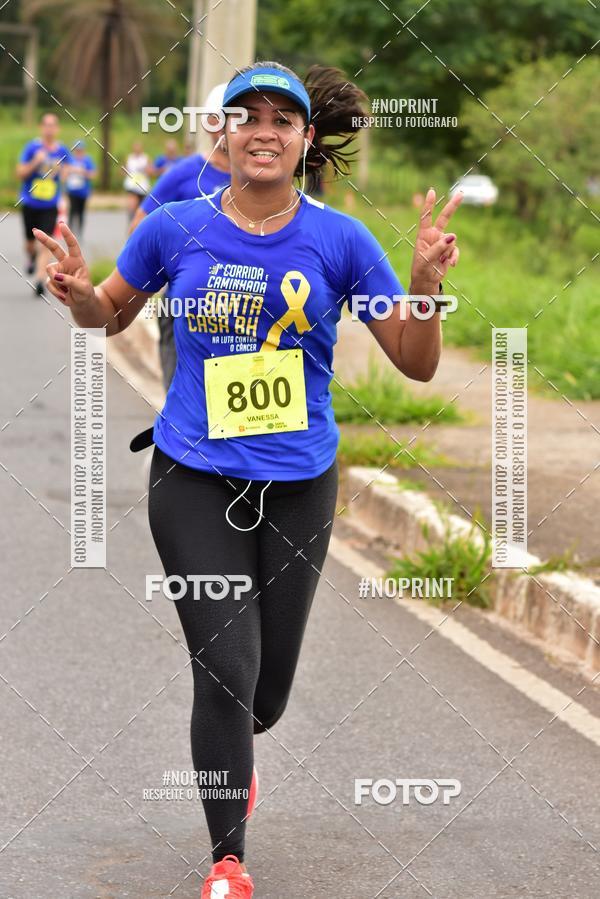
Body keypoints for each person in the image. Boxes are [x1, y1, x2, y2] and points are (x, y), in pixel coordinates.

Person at [33, 60, 462, 897]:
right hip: (192, 474)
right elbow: (109, 315)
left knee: (264, 693)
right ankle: (228, 858)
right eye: (246, 116)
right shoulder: (174, 225)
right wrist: (80, 292)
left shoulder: (342, 241)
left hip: (301, 483)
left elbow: (413, 362)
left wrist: (424, 288)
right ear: (224, 135)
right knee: (224, 664)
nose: (263, 130)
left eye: (282, 119)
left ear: (305, 141)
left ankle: (241, 748)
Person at [129, 83, 231, 390]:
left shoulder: (260, 179)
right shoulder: (185, 173)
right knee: (180, 396)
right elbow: (140, 226)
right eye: (222, 119)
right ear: (210, 124)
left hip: (241, 307)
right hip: (181, 306)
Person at [16, 112, 72, 296]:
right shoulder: (31, 148)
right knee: (30, 244)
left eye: (52, 125)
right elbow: (20, 173)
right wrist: (35, 162)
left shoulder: (62, 150)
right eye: (46, 125)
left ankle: (40, 280)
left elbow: (68, 172)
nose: (49, 129)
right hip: (30, 202)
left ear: (57, 129)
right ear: (41, 127)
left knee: (45, 243)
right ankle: (31, 256)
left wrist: (63, 171)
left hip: (50, 205)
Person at [65, 140, 96, 238]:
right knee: (72, 211)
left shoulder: (87, 160)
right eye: (77, 150)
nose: (78, 152)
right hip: (72, 191)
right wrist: (70, 170)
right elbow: (64, 174)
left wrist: (83, 172)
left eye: (80, 150)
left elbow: (93, 174)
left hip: (83, 191)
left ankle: (79, 234)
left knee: (81, 212)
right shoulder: (70, 160)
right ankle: (69, 233)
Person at [122, 141, 151, 221]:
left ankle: (139, 223)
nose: (137, 149)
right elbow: (123, 170)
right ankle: (131, 221)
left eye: (139, 147)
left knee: (141, 208)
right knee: (132, 204)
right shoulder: (129, 158)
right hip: (132, 185)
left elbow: (151, 171)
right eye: (135, 147)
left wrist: (147, 170)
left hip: (142, 186)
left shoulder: (146, 158)